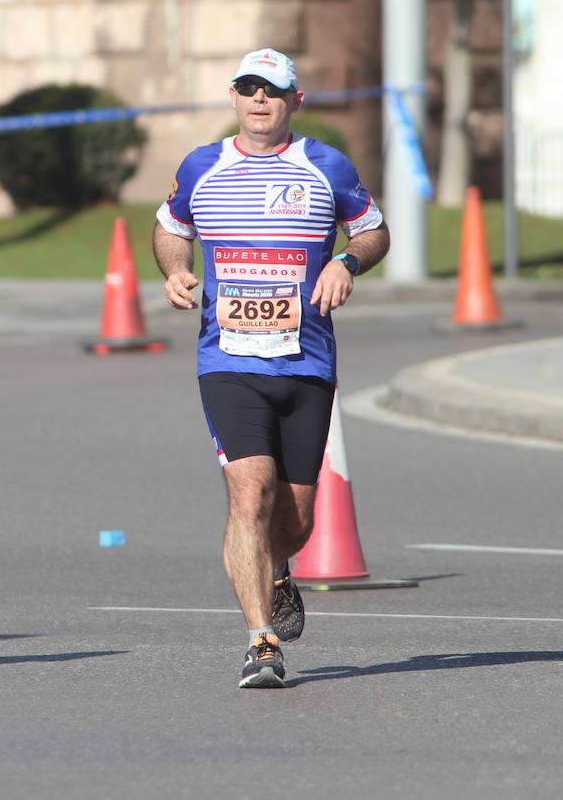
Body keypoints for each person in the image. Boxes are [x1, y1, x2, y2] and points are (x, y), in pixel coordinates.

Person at [152, 49, 390, 688]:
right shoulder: (202, 165)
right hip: (227, 361)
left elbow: (372, 230)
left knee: (295, 521)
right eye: (248, 89)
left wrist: (347, 263)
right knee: (249, 493)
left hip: (307, 361)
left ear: (295, 101)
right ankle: (261, 642)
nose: (260, 100)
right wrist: (176, 269)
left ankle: (278, 569)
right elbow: (171, 227)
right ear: (234, 97)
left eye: (273, 90)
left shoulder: (326, 165)